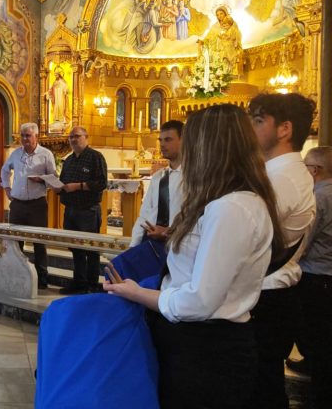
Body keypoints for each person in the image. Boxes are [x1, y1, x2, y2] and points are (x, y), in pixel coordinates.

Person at [104, 104, 285, 408]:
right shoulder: (227, 202)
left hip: (206, 350)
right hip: (198, 342)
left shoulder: (231, 208)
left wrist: (137, 293)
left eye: (192, 143)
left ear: (209, 148)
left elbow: (199, 301)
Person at [247, 92, 316, 409]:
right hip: (272, 293)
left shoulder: (281, 178)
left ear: (284, 129)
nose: (251, 128)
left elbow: (246, 239)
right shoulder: (281, 173)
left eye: (259, 121)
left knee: (262, 389)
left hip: (267, 295)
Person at [284, 147, 332, 409]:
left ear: (314, 170)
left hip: (315, 274)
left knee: (317, 337)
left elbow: (303, 241)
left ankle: (325, 398)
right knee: (312, 329)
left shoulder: (319, 198)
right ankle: (310, 365)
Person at [0, 122, 57, 289]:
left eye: (28, 135)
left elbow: (54, 177)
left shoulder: (46, 154)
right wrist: (7, 188)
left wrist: (41, 179)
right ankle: (17, 274)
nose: (24, 139)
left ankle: (42, 278)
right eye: (22, 135)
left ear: (36, 136)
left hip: (37, 204)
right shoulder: (16, 154)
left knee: (39, 242)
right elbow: (4, 170)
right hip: (17, 204)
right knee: (16, 242)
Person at [55, 127, 107, 294]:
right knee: (75, 248)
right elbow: (63, 182)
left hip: (88, 210)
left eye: (77, 136)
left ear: (86, 137)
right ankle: (79, 282)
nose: (73, 140)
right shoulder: (69, 160)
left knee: (90, 248)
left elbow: (101, 183)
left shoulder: (95, 157)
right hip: (70, 210)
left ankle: (91, 284)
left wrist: (78, 186)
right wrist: (58, 188)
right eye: (71, 137)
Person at [130, 120, 184, 247]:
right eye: (160, 140)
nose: (162, 144)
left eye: (168, 140)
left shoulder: (193, 178)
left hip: (177, 244)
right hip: (150, 241)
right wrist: (133, 245)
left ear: (183, 141)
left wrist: (167, 232)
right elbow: (145, 214)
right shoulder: (159, 177)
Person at [199, 6, 243, 75]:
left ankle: (231, 72)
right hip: (219, 48)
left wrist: (228, 37)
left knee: (229, 60)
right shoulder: (215, 26)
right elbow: (209, 36)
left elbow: (237, 34)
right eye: (217, 15)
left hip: (230, 46)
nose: (219, 16)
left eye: (221, 13)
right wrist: (203, 41)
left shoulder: (232, 22)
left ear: (225, 13)